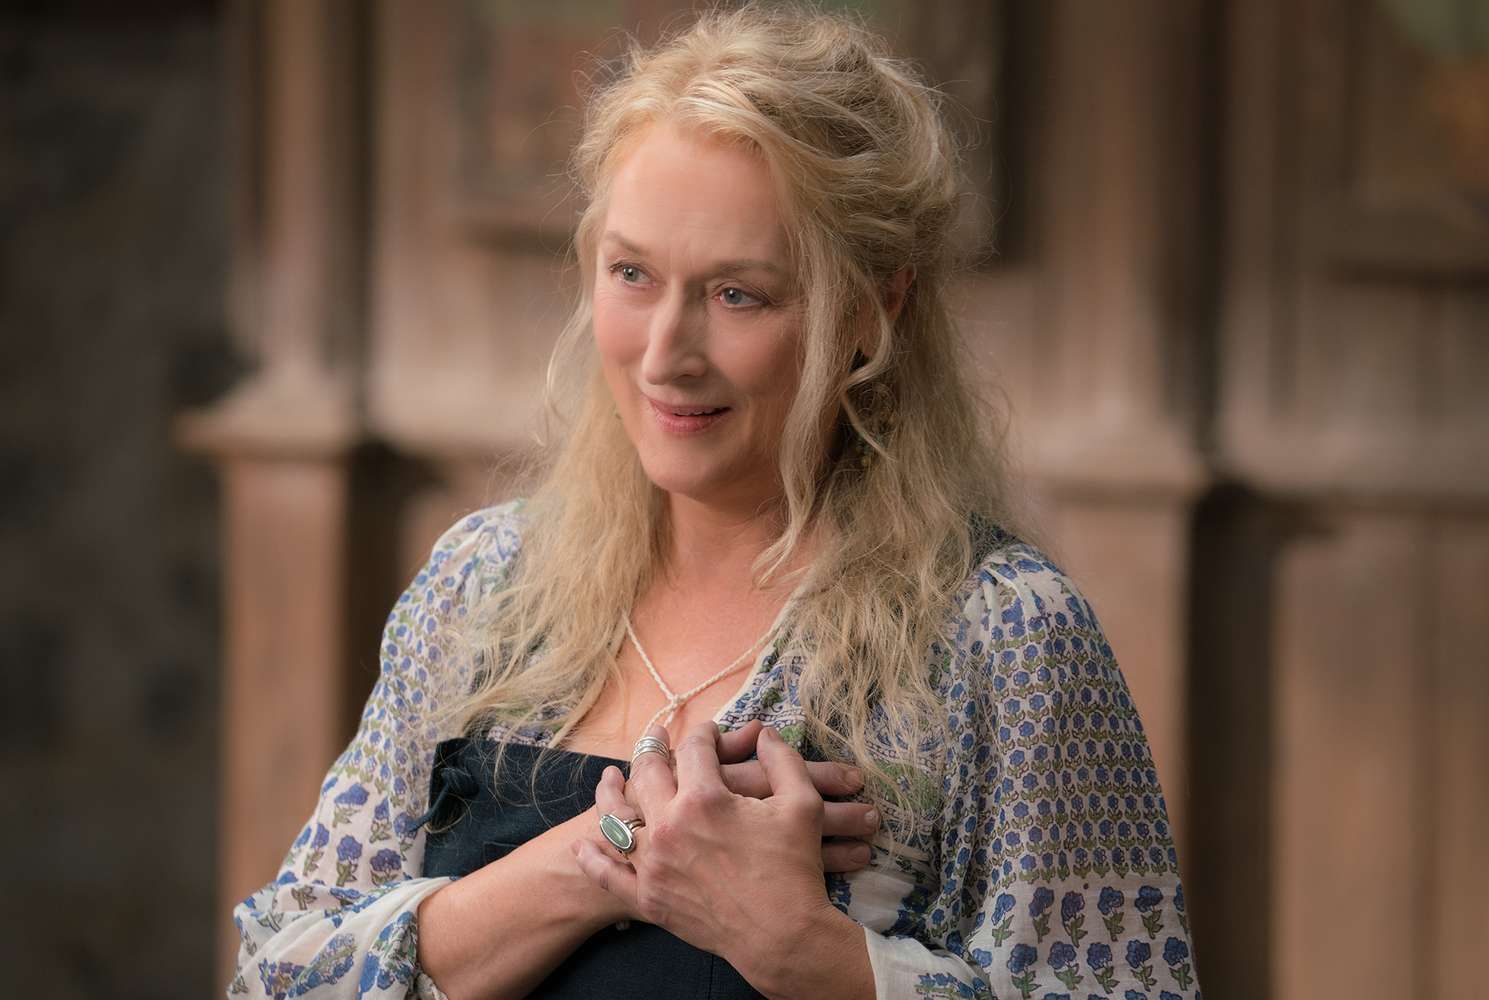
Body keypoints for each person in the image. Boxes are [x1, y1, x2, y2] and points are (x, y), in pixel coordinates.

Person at [229, 4, 1198, 998]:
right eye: (633, 274)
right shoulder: (481, 587)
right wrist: (603, 856)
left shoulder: (1007, 636)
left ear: (873, 308)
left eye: (738, 294)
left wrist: (804, 951)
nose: (665, 355)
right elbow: (275, 979)